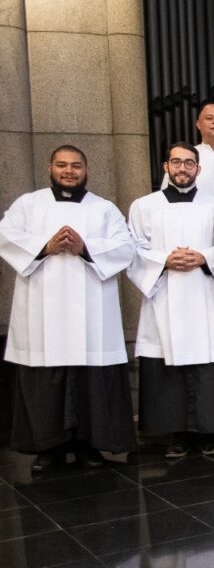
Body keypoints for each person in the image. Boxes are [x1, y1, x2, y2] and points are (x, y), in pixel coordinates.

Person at [0, 145, 136, 472]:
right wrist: (44, 247)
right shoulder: (28, 205)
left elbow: (125, 247)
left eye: (76, 165)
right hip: (42, 308)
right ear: (50, 167)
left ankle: (89, 445)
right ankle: (49, 448)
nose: (69, 171)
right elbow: (6, 236)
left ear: (86, 170)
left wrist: (85, 248)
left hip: (91, 309)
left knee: (91, 378)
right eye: (62, 165)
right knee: (46, 378)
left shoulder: (103, 209)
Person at [127, 141, 214, 459]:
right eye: (176, 162)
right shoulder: (144, 206)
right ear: (166, 167)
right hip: (165, 294)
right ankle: (175, 435)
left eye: (190, 163)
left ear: (198, 169)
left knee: (207, 361)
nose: (183, 168)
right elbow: (133, 249)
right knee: (167, 359)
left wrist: (203, 257)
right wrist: (165, 260)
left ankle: (209, 433)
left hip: (204, 295)